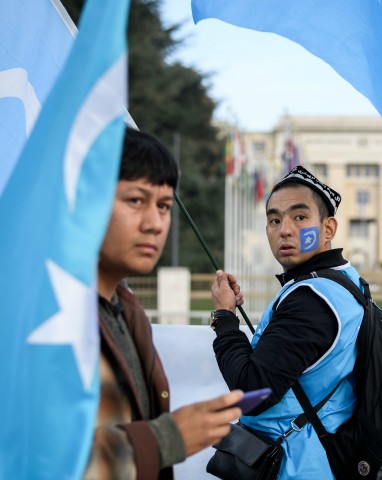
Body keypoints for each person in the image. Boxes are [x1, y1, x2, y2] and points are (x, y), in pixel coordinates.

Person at [96, 127, 243, 480]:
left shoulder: (126, 309)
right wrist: (169, 437)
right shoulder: (48, 314)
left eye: (163, 206)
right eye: (136, 200)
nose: (154, 223)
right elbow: (45, 459)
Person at [210, 166, 364, 479]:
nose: (284, 230)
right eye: (274, 219)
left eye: (300, 217)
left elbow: (251, 391)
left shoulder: (311, 299)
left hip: (295, 466)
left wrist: (225, 318)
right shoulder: (343, 281)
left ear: (328, 228)